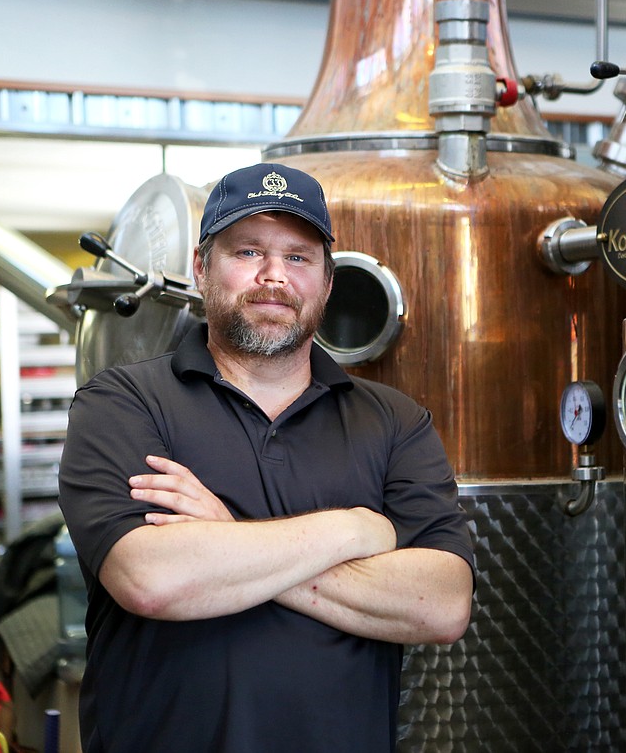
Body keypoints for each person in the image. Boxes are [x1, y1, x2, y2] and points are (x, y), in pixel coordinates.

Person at [58, 162, 475, 753]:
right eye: (248, 251)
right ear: (202, 268)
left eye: (299, 257)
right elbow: (151, 578)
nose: (273, 276)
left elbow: (442, 605)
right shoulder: (123, 403)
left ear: (327, 283)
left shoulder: (393, 421)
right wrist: (354, 528)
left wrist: (225, 537)